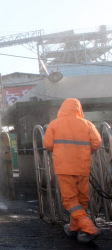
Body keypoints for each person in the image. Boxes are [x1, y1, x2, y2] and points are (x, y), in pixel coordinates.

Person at [43, 98, 102, 243]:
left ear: (62, 109)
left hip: (64, 167)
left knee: (70, 200)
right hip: (82, 166)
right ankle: (75, 227)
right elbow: (97, 142)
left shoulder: (55, 124)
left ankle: (89, 228)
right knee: (82, 198)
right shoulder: (87, 124)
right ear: (79, 109)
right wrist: (87, 151)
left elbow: (48, 144)